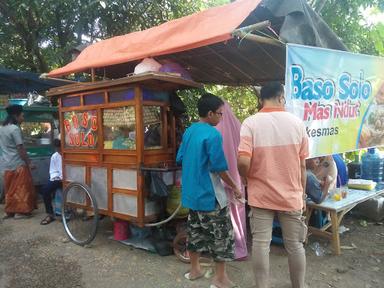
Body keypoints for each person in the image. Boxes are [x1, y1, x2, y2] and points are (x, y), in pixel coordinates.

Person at [238, 82, 309, 288]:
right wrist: (302, 194)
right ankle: (299, 285)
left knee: (261, 244)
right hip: (291, 195)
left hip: (261, 195)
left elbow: (243, 161)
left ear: (261, 100)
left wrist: (246, 177)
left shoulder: (250, 123)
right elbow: (303, 165)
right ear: (281, 97)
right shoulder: (297, 123)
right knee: (295, 245)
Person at [176, 93, 242, 288]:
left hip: (191, 195)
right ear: (211, 113)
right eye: (220, 114)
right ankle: (220, 279)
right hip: (210, 196)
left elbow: (180, 159)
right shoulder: (213, 134)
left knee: (194, 233)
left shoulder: (189, 131)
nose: (222, 117)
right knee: (221, 236)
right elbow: (219, 167)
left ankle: (195, 270)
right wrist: (235, 187)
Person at [215, 101, 248, 260]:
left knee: (224, 215)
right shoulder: (240, 126)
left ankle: (227, 249)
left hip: (221, 178)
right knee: (239, 213)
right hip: (238, 177)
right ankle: (241, 248)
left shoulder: (215, 130)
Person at [0, 104, 36, 219]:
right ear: (16, 115)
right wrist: (29, 162)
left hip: (6, 164)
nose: (23, 118)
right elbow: (20, 148)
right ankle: (20, 212)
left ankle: (9, 211)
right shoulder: (15, 129)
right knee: (21, 189)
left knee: (9, 189)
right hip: (18, 164)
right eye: (22, 116)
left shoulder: (2, 128)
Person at [40, 139, 62, 225]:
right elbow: (53, 171)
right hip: (58, 179)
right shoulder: (55, 156)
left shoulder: (70, 154)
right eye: (58, 149)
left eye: (60, 148)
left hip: (70, 179)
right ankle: (50, 214)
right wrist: (57, 178)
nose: (59, 151)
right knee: (45, 190)